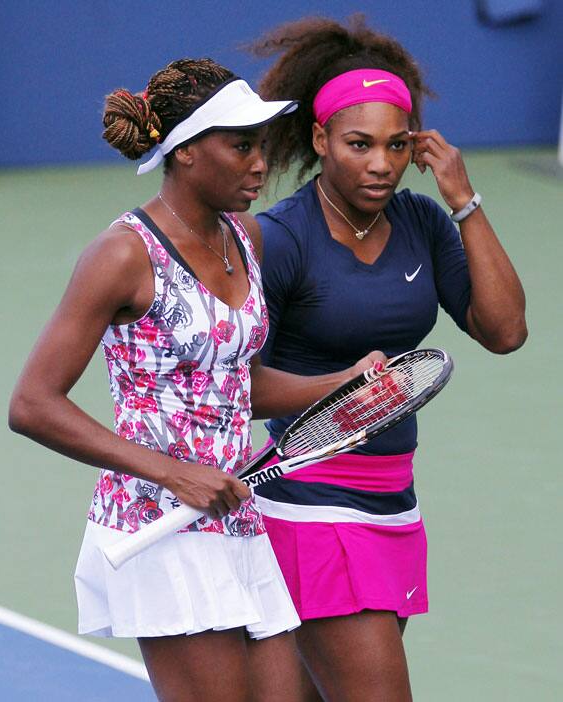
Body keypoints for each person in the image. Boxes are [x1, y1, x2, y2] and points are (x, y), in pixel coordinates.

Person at [7, 57, 383, 702]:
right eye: (241, 146)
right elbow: (32, 404)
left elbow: (237, 387)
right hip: (161, 523)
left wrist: (340, 385)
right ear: (184, 153)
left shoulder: (246, 238)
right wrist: (172, 471)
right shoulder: (123, 253)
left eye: (261, 146)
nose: (260, 163)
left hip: (235, 516)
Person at [243, 16, 528, 702]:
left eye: (397, 146)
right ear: (320, 139)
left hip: (394, 505)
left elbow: (505, 329)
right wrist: (338, 385)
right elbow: (237, 385)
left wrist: (463, 200)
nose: (381, 164)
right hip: (309, 508)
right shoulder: (280, 240)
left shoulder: (425, 224)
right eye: (359, 145)